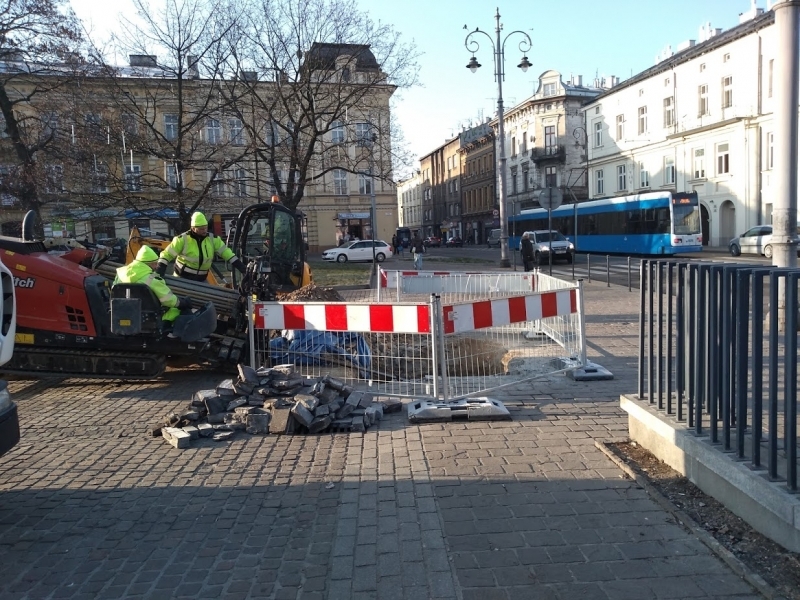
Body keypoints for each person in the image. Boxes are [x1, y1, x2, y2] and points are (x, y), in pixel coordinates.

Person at [157, 212, 246, 282]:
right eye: (201, 229)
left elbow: (227, 253)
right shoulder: (182, 240)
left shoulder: (213, 239)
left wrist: (241, 267)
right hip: (182, 279)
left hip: (201, 280)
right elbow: (166, 254)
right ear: (193, 228)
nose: (204, 230)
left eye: (205, 228)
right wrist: (160, 269)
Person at [114, 246, 191, 323]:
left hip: (125, 315)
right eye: (155, 264)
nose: (156, 266)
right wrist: (182, 303)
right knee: (180, 311)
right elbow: (168, 300)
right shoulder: (152, 279)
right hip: (150, 319)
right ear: (148, 264)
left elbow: (114, 292)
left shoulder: (120, 274)